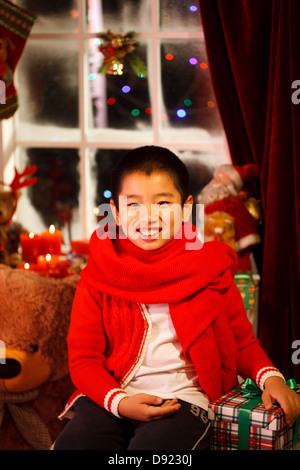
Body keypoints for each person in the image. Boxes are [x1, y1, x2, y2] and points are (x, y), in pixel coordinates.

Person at [54, 146, 300, 450]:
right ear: (115, 212)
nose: (148, 216)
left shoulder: (209, 268)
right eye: (133, 204)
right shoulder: (98, 275)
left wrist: (271, 378)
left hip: (183, 398)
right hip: (114, 393)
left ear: (185, 209)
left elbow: (242, 342)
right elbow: (83, 361)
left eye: (162, 202)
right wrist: (122, 402)